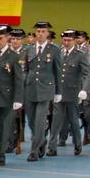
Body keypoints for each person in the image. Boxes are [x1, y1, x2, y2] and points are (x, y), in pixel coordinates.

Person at [20, 22, 62, 162]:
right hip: (30, 90)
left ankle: (34, 151)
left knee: (39, 122)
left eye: (43, 31)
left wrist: (58, 92)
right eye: (38, 31)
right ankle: (42, 141)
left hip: (45, 90)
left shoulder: (54, 50)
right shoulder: (29, 49)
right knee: (31, 121)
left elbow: (58, 72)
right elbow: (25, 69)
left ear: (47, 33)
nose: (40, 34)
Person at [0, 26, 24, 166]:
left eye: (0, 38)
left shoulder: (14, 56)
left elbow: (19, 79)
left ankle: (0, 154)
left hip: (7, 98)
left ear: (7, 38)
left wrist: (18, 99)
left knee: (4, 127)